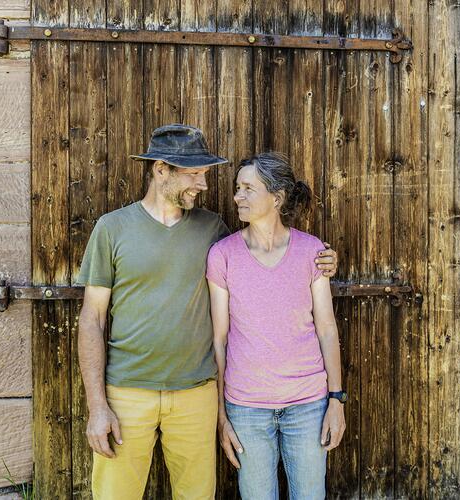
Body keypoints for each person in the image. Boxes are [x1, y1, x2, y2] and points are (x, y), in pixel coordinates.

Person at [76, 125, 338, 499]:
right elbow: (92, 319)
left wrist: (324, 259)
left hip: (195, 393)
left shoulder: (212, 231)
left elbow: (266, 250)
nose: (203, 184)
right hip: (127, 393)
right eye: (194, 174)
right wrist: (97, 406)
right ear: (161, 169)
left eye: (204, 174)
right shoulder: (112, 229)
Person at [207, 152, 347, 500]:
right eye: (237, 188)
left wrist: (336, 400)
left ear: (276, 197)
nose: (237, 196)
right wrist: (222, 414)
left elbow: (327, 329)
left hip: (308, 405)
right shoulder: (222, 255)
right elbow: (219, 339)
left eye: (247, 188)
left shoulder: (311, 251)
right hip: (247, 409)